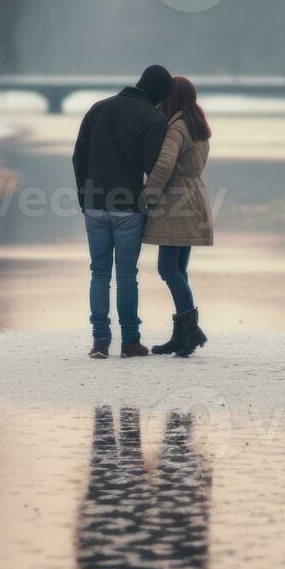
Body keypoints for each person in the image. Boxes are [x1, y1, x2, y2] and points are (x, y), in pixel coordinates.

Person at [73, 65, 172, 359]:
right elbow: (152, 167)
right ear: (157, 93)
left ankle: (100, 341)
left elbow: (79, 156)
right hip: (127, 206)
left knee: (99, 273)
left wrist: (84, 195)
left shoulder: (98, 108)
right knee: (127, 275)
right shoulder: (152, 119)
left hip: (95, 203)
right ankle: (130, 341)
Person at [141, 76, 214, 357]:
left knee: (167, 269)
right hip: (195, 197)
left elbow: (164, 164)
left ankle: (191, 331)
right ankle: (182, 335)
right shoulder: (198, 124)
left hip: (176, 202)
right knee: (179, 270)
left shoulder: (177, 127)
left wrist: (148, 194)